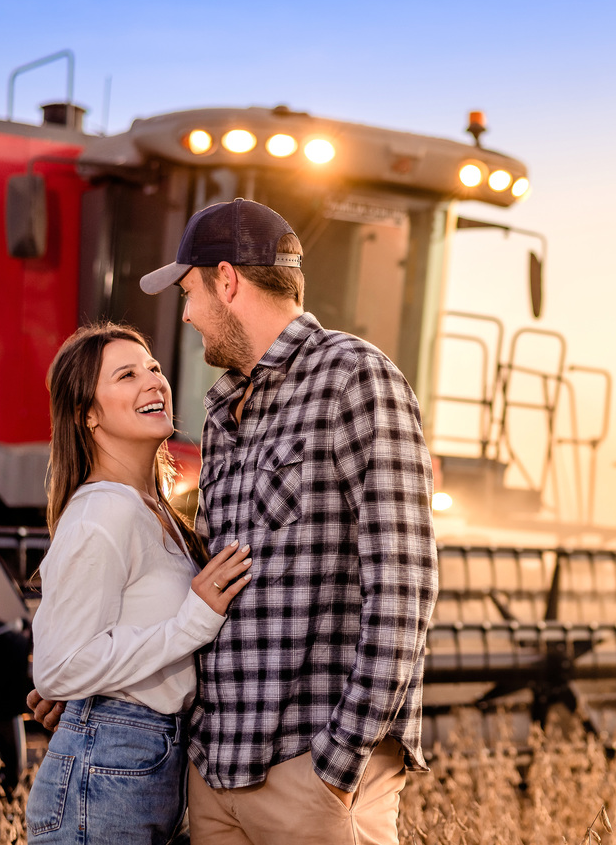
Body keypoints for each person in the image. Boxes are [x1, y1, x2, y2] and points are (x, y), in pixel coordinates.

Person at [140, 198, 439, 845]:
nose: (186, 313)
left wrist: (339, 760)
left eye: (189, 291)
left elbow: (405, 583)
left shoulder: (356, 378)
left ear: (227, 280)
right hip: (216, 771)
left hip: (310, 776)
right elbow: (207, 587)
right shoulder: (221, 413)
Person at [26, 322, 253, 845]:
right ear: (88, 414)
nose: (153, 381)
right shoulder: (103, 510)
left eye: (152, 367)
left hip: (146, 759)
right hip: (108, 764)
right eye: (126, 375)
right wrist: (191, 622)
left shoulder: (155, 510)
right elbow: (60, 666)